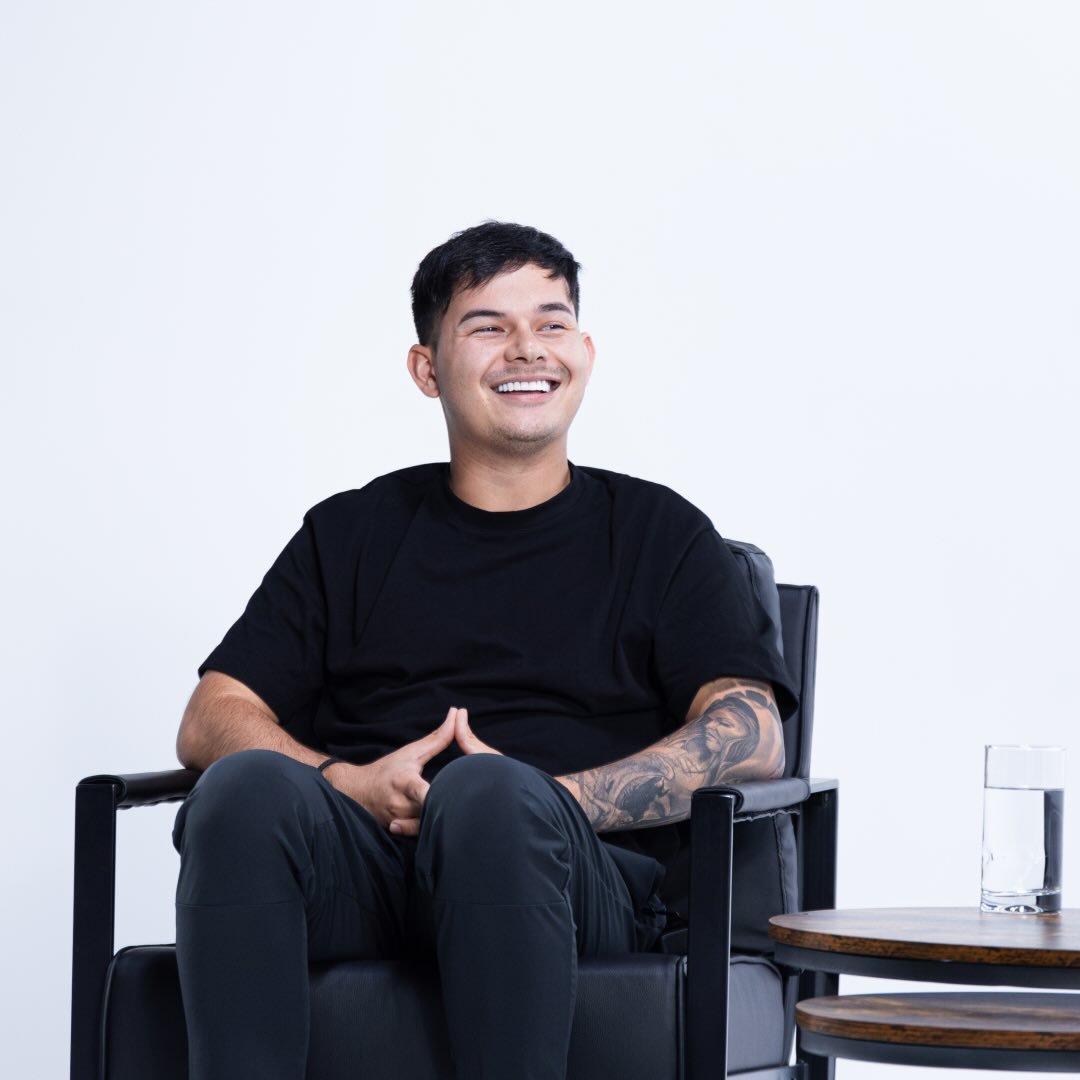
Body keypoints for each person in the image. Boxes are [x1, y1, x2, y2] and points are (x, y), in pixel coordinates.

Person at [172, 222, 797, 1080]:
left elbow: (753, 733)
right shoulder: (350, 533)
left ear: (584, 353)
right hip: (370, 867)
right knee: (241, 789)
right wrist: (347, 782)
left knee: (489, 795)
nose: (527, 348)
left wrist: (552, 801)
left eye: (551, 323)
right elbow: (212, 716)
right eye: (488, 326)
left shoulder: (662, 534)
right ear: (427, 368)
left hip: (569, 880)